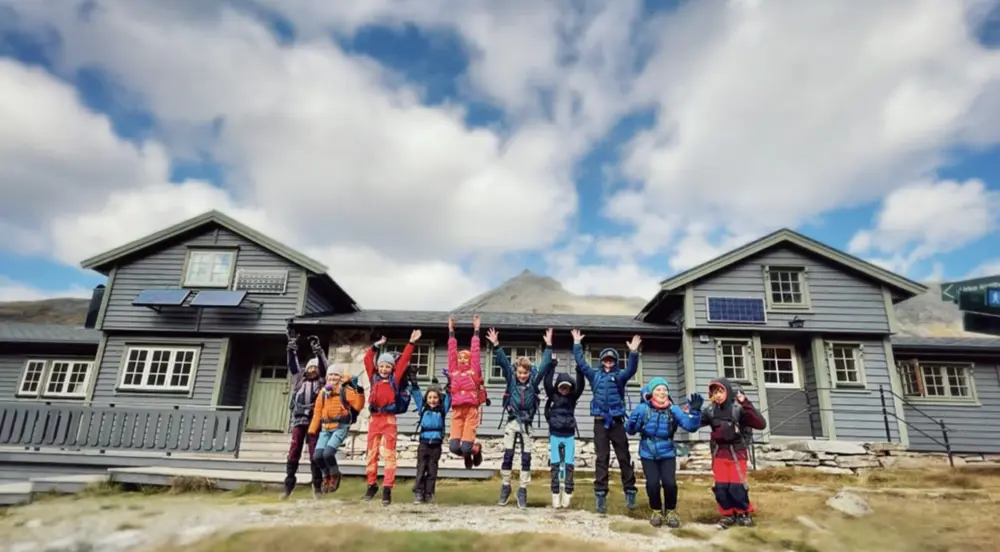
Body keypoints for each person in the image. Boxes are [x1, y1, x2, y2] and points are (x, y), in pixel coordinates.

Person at [572, 328, 641, 514]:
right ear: (601, 361)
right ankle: (601, 495)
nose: (608, 363)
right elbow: (581, 363)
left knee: (624, 457)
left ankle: (630, 491)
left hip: (617, 422)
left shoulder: (620, 377)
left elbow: (632, 369)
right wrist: (577, 344)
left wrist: (633, 352)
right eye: (605, 360)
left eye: (611, 360)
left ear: (615, 361)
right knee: (601, 459)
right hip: (600, 423)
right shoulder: (594, 376)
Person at [486, 326, 554, 509]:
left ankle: (522, 489)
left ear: (529, 373)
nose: (522, 375)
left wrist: (548, 346)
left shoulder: (533, 381)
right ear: (516, 372)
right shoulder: (511, 379)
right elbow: (502, 362)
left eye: (525, 373)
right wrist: (496, 344)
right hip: (512, 422)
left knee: (526, 457)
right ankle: (506, 486)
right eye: (520, 372)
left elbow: (546, 365)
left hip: (527, 424)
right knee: (508, 455)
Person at [626, 377, 703, 528]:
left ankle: (670, 511)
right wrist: (633, 423)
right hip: (648, 452)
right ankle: (656, 511)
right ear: (651, 393)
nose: (662, 392)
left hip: (667, 452)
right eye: (658, 389)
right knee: (653, 484)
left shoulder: (673, 409)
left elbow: (690, 427)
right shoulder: (643, 409)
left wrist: (695, 411)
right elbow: (630, 430)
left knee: (669, 483)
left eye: (665, 389)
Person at [363, 329, 421, 505]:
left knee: (389, 455)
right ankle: (371, 484)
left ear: (391, 368)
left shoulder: (395, 379)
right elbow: (367, 360)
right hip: (374, 419)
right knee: (371, 454)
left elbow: (403, 361)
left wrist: (411, 343)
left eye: (387, 366)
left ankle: (387, 488)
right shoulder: (373, 376)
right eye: (382, 366)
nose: (384, 369)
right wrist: (376, 346)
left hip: (388, 420)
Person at [700, 377, 767, 529]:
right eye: (714, 392)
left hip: (737, 453)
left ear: (727, 391)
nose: (717, 395)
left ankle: (744, 513)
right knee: (721, 487)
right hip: (719, 453)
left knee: (737, 486)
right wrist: (691, 411)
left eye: (720, 391)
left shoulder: (739, 408)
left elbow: (760, 424)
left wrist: (746, 403)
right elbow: (693, 424)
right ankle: (728, 514)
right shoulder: (710, 410)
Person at [281, 333, 325, 500]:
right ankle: (288, 486)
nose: (312, 370)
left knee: (314, 454)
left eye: (315, 368)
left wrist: (318, 352)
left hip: (315, 421)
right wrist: (291, 349)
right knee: (294, 452)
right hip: (299, 421)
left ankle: (317, 486)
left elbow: (324, 365)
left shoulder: (322, 380)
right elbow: (292, 365)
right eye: (310, 368)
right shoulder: (299, 379)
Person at [308, 367, 365, 494]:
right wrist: (312, 429)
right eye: (330, 375)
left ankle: (335, 474)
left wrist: (359, 392)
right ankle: (325, 476)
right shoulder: (323, 393)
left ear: (340, 377)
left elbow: (358, 405)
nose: (333, 378)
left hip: (340, 427)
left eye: (336, 375)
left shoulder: (346, 390)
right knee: (317, 456)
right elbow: (317, 413)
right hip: (325, 429)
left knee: (328, 453)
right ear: (327, 377)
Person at [542, 350, 585, 509]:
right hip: (555, 435)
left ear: (570, 388)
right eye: (561, 387)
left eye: (567, 387)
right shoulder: (553, 396)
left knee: (569, 465)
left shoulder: (573, 398)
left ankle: (567, 492)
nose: (564, 389)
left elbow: (580, 386)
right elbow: (547, 382)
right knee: (554, 464)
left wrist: (579, 370)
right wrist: (552, 365)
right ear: (558, 387)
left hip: (569, 435)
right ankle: (555, 494)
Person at [445, 314, 485, 469]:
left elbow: (475, 352)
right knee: (454, 447)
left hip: (470, 411)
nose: (462, 359)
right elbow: (450, 352)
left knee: (465, 447)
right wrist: (451, 331)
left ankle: (473, 450)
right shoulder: (453, 372)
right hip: (457, 412)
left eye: (465, 357)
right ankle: (469, 453)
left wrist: (476, 330)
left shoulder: (473, 373)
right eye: (459, 357)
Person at [412, 382, 450, 504]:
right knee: (421, 468)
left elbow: (449, 398)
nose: (432, 400)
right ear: (426, 398)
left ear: (439, 398)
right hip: (424, 443)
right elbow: (416, 395)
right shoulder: (422, 408)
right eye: (430, 397)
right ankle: (419, 492)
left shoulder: (442, 409)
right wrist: (414, 384)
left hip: (436, 443)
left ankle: (429, 493)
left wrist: (450, 386)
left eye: (435, 397)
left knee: (432, 470)